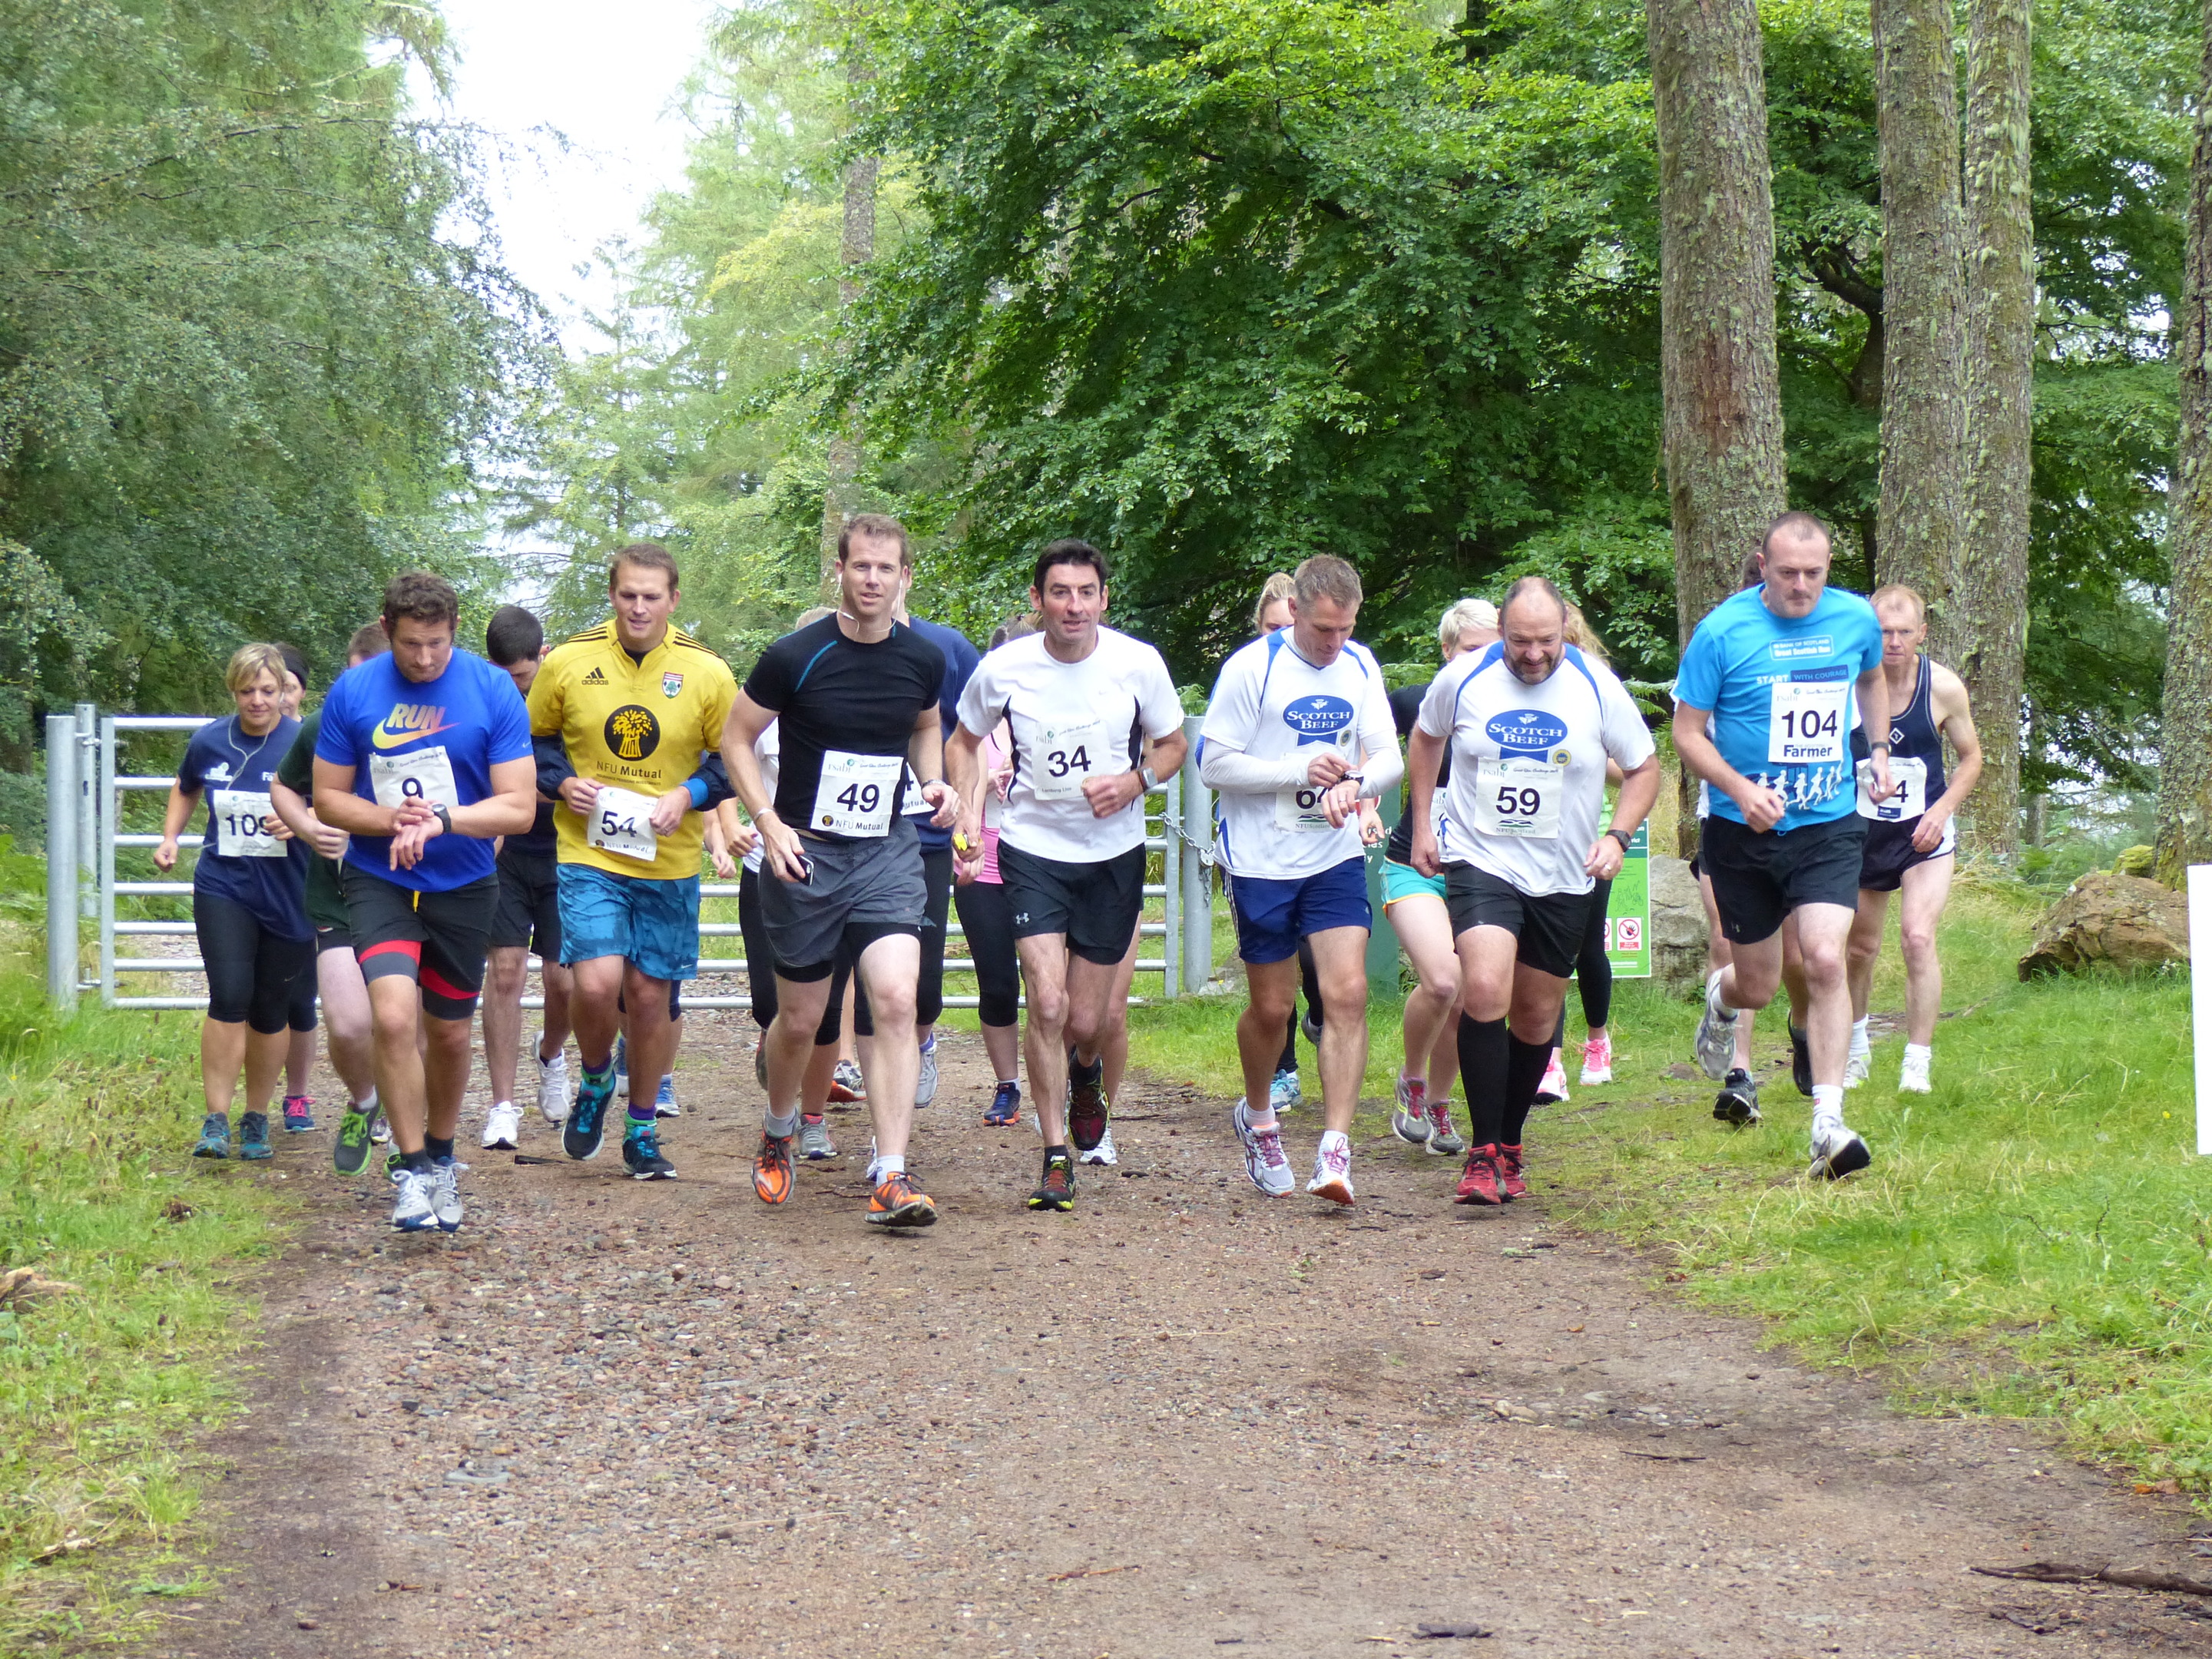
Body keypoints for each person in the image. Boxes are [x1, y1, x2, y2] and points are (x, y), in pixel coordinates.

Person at [722, 512, 955, 1229]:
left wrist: (936, 781)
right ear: (841, 573)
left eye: (887, 569)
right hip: (806, 853)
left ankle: (890, 1173)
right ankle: (779, 1125)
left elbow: (923, 725)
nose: (873, 580)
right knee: (799, 1019)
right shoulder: (795, 655)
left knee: (894, 999)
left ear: (905, 577)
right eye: (861, 567)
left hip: (887, 847)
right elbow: (735, 737)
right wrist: (766, 821)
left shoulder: (923, 659)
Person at [949, 540, 1187, 1211]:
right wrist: (969, 806)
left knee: (1085, 1020)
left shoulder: (1138, 664)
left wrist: (1135, 781)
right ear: (1038, 600)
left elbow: (1174, 745)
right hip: (1030, 849)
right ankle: (1055, 1155)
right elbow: (962, 741)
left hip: (1111, 854)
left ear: (1104, 600)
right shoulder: (1005, 668)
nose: (1073, 606)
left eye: (1086, 593)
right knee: (1046, 1004)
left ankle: (1087, 1073)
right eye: (1060, 592)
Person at [1409, 579, 1659, 1204]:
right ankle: (1481, 1152)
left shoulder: (1596, 683)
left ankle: (1511, 1144)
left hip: (1563, 869)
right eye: (1519, 641)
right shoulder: (1466, 676)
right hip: (1480, 856)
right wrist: (1422, 825)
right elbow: (1425, 737)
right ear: (1501, 629)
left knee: (1537, 1013)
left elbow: (1644, 767)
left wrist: (1619, 834)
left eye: (1546, 641)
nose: (1532, 654)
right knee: (1485, 987)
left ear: (1564, 628)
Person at [313, 571, 536, 1232]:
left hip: (464, 879)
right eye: (411, 644)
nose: (425, 658)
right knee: (390, 1014)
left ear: (455, 633)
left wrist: (442, 818)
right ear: (388, 632)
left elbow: (519, 806)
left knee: (448, 1032)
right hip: (378, 877)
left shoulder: (491, 688)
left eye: (437, 643)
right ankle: (409, 1171)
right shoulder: (354, 691)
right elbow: (328, 798)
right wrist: (391, 821)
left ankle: (440, 1155)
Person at [1673, 512, 1892, 1181]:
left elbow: (1873, 679)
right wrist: (1740, 790)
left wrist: (1878, 751)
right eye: (1788, 572)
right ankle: (1721, 999)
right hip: (1744, 833)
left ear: (1829, 569)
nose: (1801, 586)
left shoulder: (1854, 619)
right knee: (1760, 985)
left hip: (1827, 821)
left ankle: (1828, 1121)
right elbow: (1687, 732)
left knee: (1826, 958)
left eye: (1814, 573)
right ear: (1762, 564)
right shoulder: (1722, 632)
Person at [529, 545, 736, 1181]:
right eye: (628, 595)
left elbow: (731, 761)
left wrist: (689, 795)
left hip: (667, 859)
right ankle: (596, 1080)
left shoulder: (708, 673)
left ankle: (641, 1128)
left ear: (673, 600)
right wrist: (563, 784)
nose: (639, 607)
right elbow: (531, 743)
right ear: (612, 596)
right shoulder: (567, 662)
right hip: (588, 850)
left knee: (649, 999)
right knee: (593, 983)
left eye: (652, 596)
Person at [1200, 555, 1402, 1204]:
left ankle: (1334, 1153)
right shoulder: (1251, 669)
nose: (1334, 643)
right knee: (1273, 1008)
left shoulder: (1361, 664)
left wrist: (1354, 786)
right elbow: (1214, 766)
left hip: (1331, 855)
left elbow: (1388, 755)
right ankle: (1259, 1116)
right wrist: (1298, 770)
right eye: (1322, 630)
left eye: (1345, 629)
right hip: (1260, 859)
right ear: (1296, 613)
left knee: (1346, 994)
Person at [156, 644, 313, 1162]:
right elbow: (186, 786)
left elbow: (338, 803)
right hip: (224, 885)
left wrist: (300, 820)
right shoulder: (210, 740)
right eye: (247, 691)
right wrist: (171, 837)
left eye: (268, 691)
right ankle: (215, 1120)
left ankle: (256, 1118)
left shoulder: (304, 743)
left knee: (271, 1007)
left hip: (288, 891)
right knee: (228, 994)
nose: (258, 701)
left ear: (283, 691)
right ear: (234, 690)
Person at [1843, 584, 1982, 1094]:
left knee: (1918, 938)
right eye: (1884, 632)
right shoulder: (1848, 684)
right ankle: (1855, 1049)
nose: (1894, 641)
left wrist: (1942, 810)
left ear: (1922, 633)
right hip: (1861, 832)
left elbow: (1972, 757)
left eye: (1904, 632)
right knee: (1859, 949)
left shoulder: (1943, 687)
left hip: (1924, 832)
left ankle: (1917, 1062)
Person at [733, 605, 859, 1163]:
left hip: (840, 874)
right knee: (775, 1006)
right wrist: (731, 827)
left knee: (827, 1009)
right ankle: (781, 1081)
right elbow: (727, 763)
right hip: (770, 870)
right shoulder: (768, 714)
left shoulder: (860, 715)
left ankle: (810, 1119)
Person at [269, 622, 393, 1173]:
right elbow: (284, 787)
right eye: (350, 677)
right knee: (347, 1024)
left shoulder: (435, 727)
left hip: (410, 895)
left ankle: (409, 1126)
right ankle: (365, 1101)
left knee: (400, 1022)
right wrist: (305, 823)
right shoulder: (322, 726)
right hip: (337, 895)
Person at [1384, 597, 1496, 1156]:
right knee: (1444, 981)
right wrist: (1358, 803)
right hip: (1414, 864)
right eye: (1472, 650)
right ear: (1447, 651)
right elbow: (1367, 750)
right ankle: (1411, 1080)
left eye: (1493, 649)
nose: (1484, 661)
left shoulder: (1509, 712)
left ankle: (1442, 1102)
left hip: (1483, 873)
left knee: (1470, 994)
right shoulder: (1412, 702)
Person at [478, 605, 576, 1150]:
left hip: (564, 851)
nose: (514, 686)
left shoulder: (569, 693)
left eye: (521, 677)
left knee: (563, 981)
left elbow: (577, 775)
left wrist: (535, 787)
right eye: (504, 676)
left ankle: (552, 1052)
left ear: (543, 655)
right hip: (505, 853)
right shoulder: (487, 700)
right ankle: (501, 1106)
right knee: (507, 973)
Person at [1535, 604, 1630, 1101]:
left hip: (1586, 840)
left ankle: (1597, 1043)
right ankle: (1548, 1061)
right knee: (1545, 954)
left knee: (1587, 944)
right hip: (1530, 838)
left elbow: (1628, 769)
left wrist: (1585, 747)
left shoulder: (1598, 689)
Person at [1249, 572, 1327, 1113]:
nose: (1279, 636)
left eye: (1287, 626)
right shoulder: (1247, 677)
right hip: (1261, 841)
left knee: (1319, 960)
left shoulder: (1331, 676)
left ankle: (1323, 1012)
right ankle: (1284, 1072)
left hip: (1321, 839)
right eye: (1271, 628)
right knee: (1273, 979)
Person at [959, 616, 1035, 1128]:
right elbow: (950, 792)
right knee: (999, 983)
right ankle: (1008, 1085)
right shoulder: (970, 726)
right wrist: (984, 783)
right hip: (983, 863)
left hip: (1043, 863)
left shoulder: (1055, 717)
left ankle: (1069, 1079)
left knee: (1055, 988)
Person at [271, 642, 320, 1131]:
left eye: (288, 687)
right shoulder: (236, 737)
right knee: (254, 995)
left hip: (303, 877)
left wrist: (302, 817)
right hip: (249, 882)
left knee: (301, 994)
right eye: (272, 687)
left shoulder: (313, 738)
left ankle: (299, 1094)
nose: (281, 697)